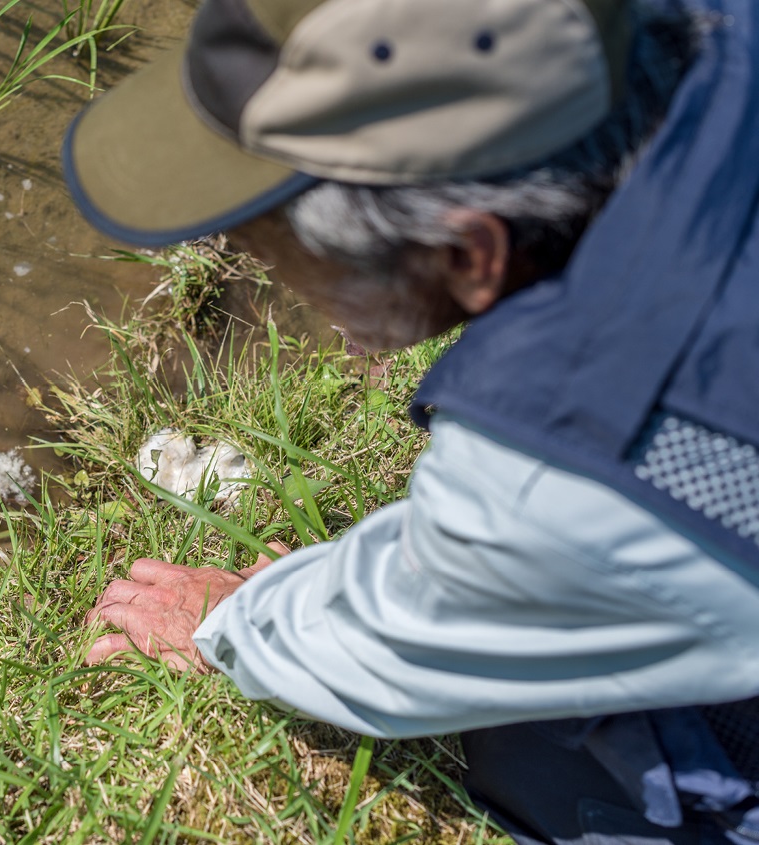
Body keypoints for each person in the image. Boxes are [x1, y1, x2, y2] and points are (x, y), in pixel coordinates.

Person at [60, 0, 759, 841]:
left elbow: (396, 643)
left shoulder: (583, 453)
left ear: (466, 255)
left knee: (543, 750)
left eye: (272, 251)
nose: (278, 282)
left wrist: (228, 622)